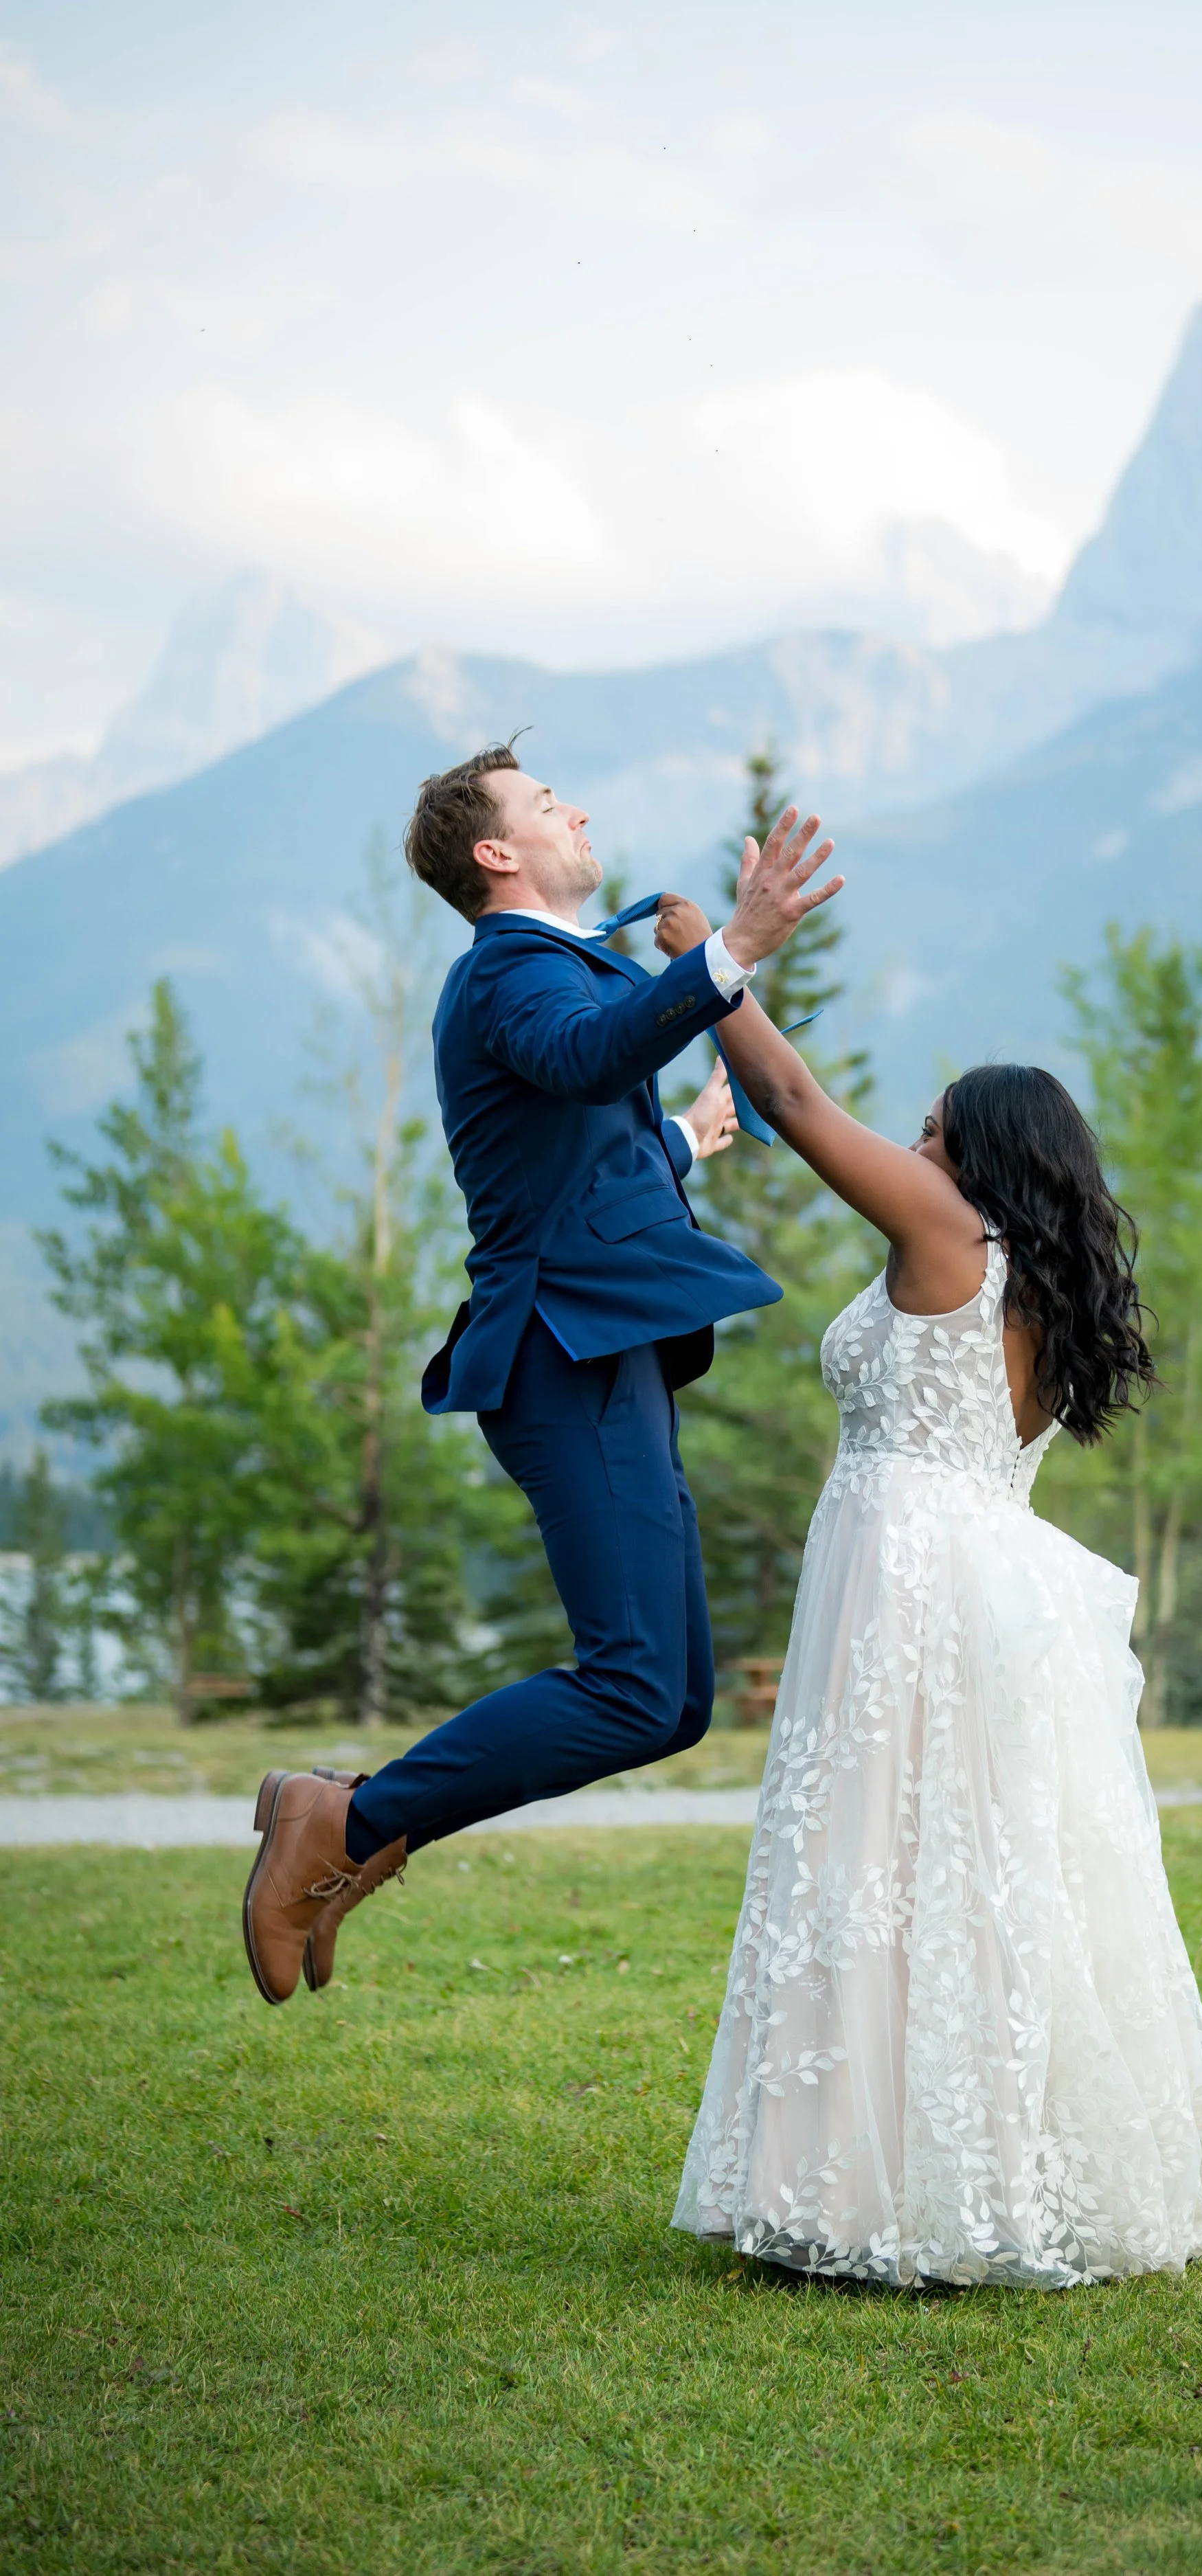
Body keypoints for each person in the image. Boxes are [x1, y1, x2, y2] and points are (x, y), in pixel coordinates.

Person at [670, 851, 1202, 2285]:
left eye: (935, 1135)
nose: (913, 1153)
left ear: (982, 1160)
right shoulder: (1040, 1291)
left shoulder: (947, 1236)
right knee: (959, 1877)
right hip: (969, 1570)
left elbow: (803, 1106)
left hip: (911, 1581)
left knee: (879, 1864)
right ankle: (904, 2182)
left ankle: (875, 2193)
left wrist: (710, 971)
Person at [240, 745, 841, 2006]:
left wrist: (679, 1136)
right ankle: (336, 1823)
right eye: (544, 801)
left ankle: (347, 1829)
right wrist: (729, 950)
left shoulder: (553, 973)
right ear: (495, 853)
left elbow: (566, 1149)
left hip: (601, 1353)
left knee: (670, 1699)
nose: (576, 805)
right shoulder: (509, 968)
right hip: (562, 1356)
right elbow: (579, 1060)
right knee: (628, 1678)